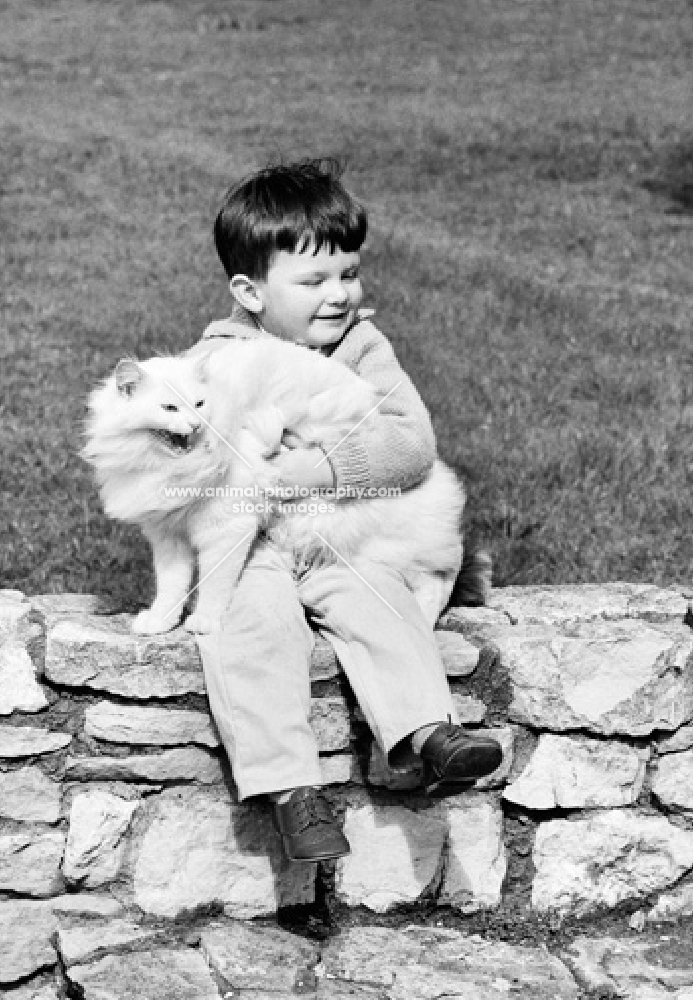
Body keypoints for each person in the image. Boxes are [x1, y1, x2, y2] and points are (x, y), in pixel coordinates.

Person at [192, 158, 502, 863]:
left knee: (379, 600)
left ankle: (430, 733)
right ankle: (292, 793)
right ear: (249, 290)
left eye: (349, 273)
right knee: (251, 627)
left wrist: (319, 468)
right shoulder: (218, 359)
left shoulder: (363, 347)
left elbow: (410, 443)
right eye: (313, 281)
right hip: (258, 543)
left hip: (345, 536)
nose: (339, 295)